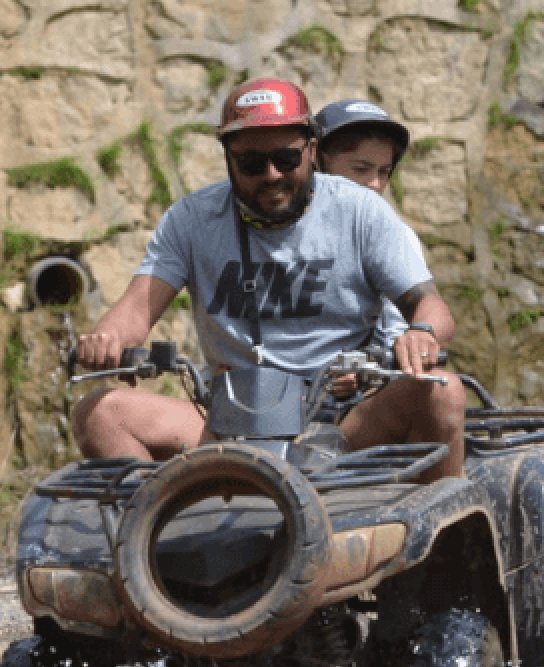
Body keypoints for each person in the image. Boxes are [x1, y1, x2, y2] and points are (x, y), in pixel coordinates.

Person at [73, 77, 465, 480]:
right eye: (252, 164)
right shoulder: (190, 220)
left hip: (343, 423)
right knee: (101, 415)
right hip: (228, 423)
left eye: (287, 159)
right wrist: (109, 340)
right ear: (227, 157)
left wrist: (421, 332)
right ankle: (168, 524)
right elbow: (135, 310)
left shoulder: (362, 211)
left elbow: (432, 307)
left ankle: (449, 535)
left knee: (442, 390)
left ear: (312, 151)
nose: (272, 175)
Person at [313, 98, 422, 356]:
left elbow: (398, 332)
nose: (375, 183)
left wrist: (366, 370)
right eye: (361, 169)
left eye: (384, 172)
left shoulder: (395, 235)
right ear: (317, 159)